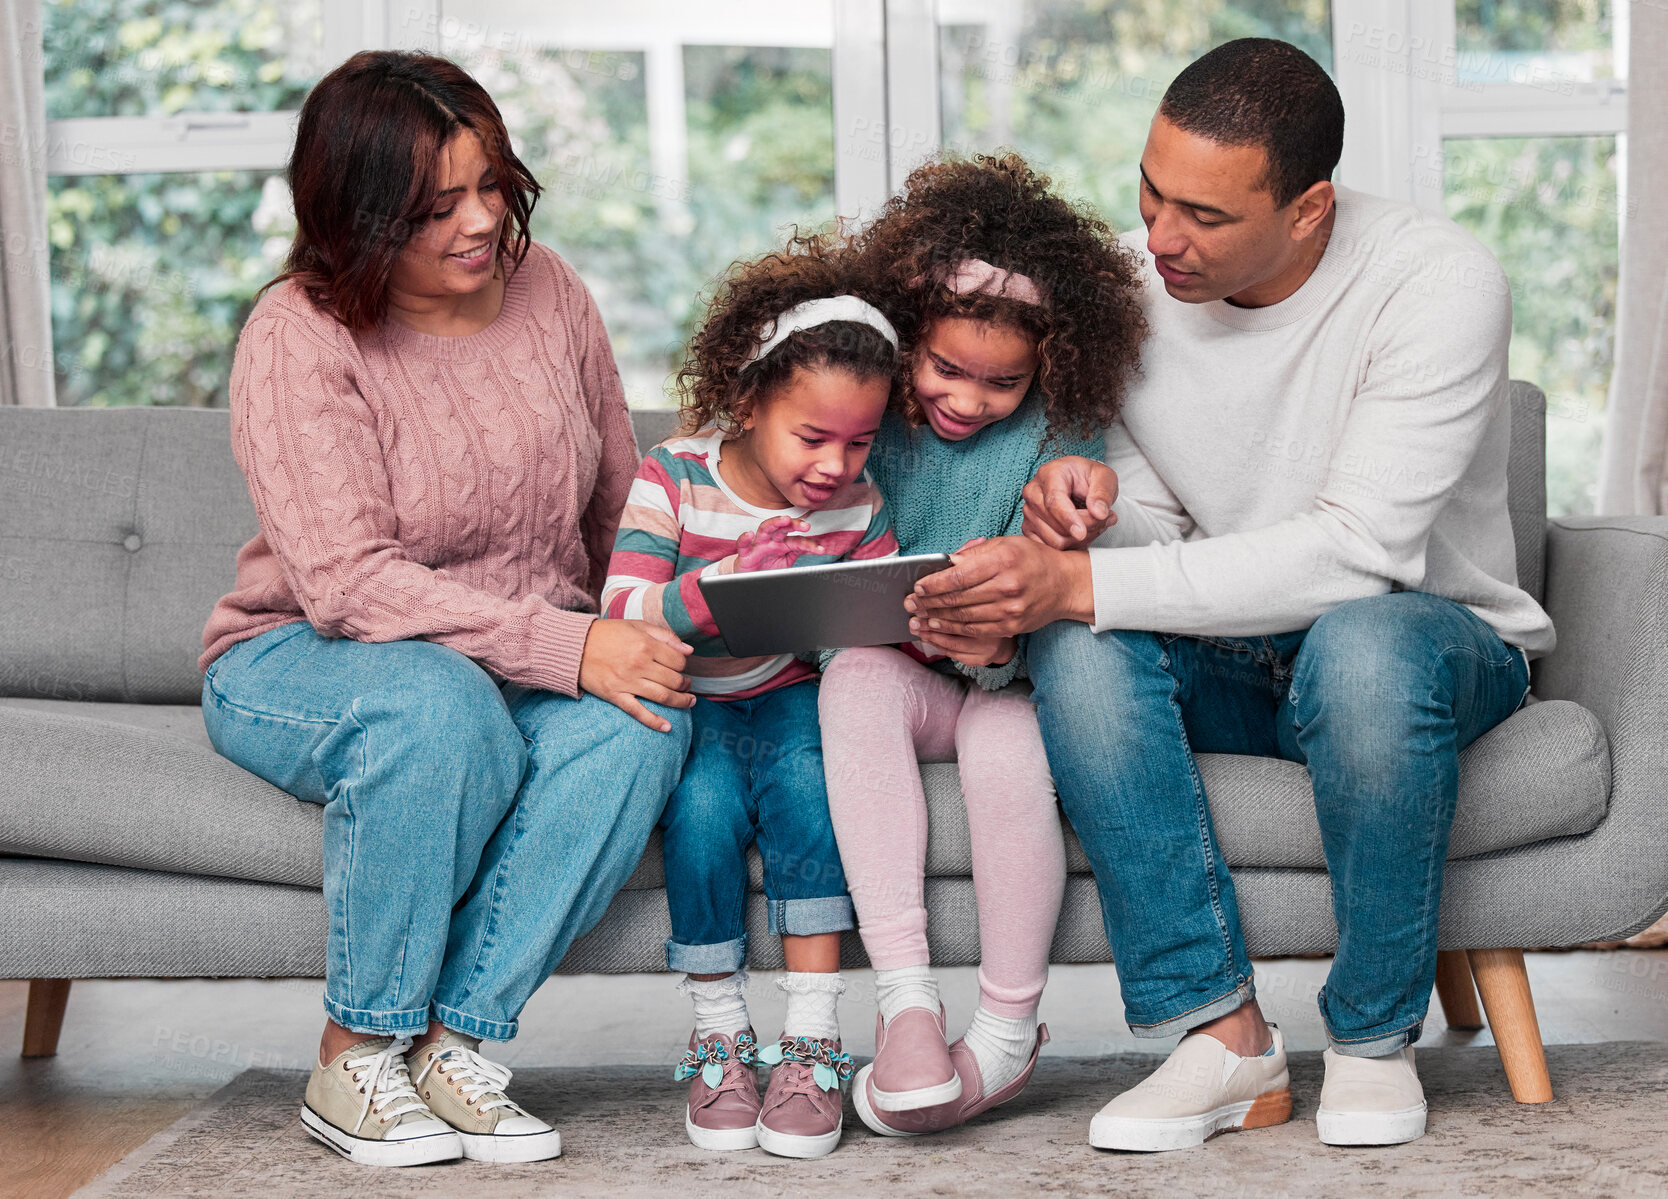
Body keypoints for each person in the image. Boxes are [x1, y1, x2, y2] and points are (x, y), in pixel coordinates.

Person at [904, 38, 1553, 1150]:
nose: (1160, 237)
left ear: (1308, 211)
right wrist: (1091, 507)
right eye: (1150, 192)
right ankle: (1221, 1033)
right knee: (1077, 635)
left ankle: (1371, 1037)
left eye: (1203, 215)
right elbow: (1167, 525)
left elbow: (1362, 552)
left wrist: (1086, 576)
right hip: (1236, 653)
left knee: (1360, 645)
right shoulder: (1130, 283)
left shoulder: (1437, 281)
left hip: (1428, 648)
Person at [198, 51, 695, 1167]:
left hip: (510, 657)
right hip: (306, 654)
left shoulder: (550, 288)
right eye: (437, 207)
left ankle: (451, 1047)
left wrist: (666, 619)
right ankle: (354, 1050)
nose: (481, 223)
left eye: (493, 185)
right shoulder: (299, 333)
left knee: (647, 719)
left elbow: (623, 503)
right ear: (360, 217)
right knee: (437, 704)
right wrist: (571, 641)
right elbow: (347, 583)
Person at [816, 153, 1146, 1137]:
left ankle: (1006, 1029)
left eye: (1002, 382)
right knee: (856, 686)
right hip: (901, 670)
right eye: (945, 368)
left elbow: (1056, 577)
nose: (967, 397)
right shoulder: (861, 415)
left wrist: (1051, 541)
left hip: (1012, 680)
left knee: (1009, 750)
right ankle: (907, 1000)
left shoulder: (1063, 431)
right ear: (904, 329)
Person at [602, 237, 900, 1159]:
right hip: (692, 702)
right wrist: (722, 581)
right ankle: (720, 1036)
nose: (834, 465)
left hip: (789, 692)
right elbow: (620, 608)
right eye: (812, 437)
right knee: (700, 811)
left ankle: (812, 1045)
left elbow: (877, 616)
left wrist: (899, 609)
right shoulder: (676, 474)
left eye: (859, 441)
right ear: (748, 402)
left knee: (814, 795)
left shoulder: (858, 505)